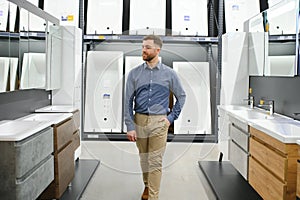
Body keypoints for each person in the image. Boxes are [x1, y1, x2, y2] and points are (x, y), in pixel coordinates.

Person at [124, 35, 186, 200]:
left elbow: (182, 96)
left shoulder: (169, 74)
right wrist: (130, 126)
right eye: (143, 46)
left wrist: (170, 119)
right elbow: (127, 101)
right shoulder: (134, 74)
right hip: (140, 120)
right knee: (144, 159)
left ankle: (153, 196)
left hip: (160, 121)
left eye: (148, 47)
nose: (144, 50)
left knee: (155, 161)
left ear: (158, 50)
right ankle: (147, 185)